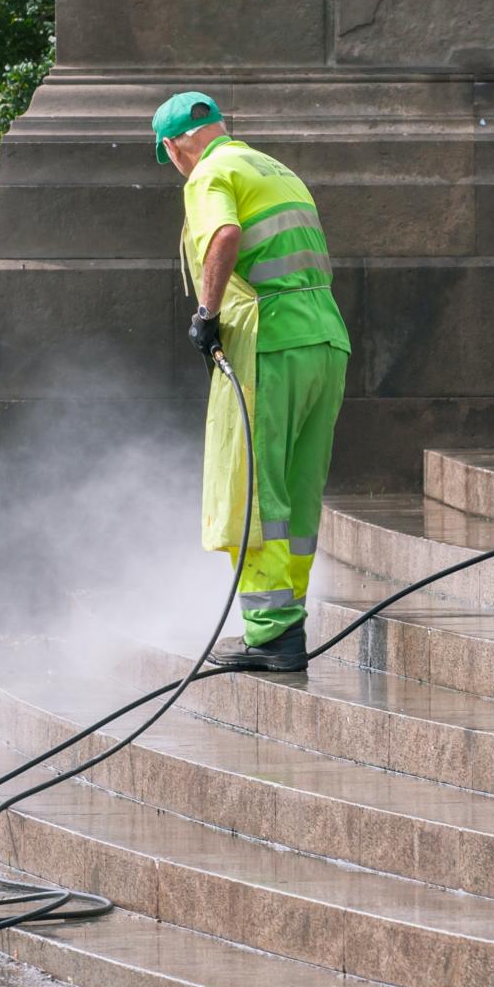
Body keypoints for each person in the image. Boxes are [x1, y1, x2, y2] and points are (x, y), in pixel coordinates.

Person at [152, 91, 351, 672]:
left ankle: (270, 634)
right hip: (325, 339)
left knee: (256, 493)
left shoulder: (210, 172)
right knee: (296, 493)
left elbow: (223, 236)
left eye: (173, 160)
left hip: (271, 343)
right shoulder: (274, 168)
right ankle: (285, 628)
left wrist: (205, 316)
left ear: (175, 146)